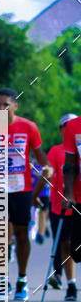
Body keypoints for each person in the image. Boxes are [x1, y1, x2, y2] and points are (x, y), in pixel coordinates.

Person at [0, 88, 52, 301]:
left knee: (21, 234)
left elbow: (41, 159)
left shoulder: (28, 127)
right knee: (0, 235)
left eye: (5, 104)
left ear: (15, 106)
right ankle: (2, 280)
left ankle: (22, 279)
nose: (0, 109)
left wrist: (47, 171)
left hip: (22, 188)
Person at [33, 114, 77, 300]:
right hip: (60, 206)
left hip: (78, 204)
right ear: (60, 131)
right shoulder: (55, 152)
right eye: (64, 127)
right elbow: (47, 174)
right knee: (63, 242)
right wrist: (35, 194)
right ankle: (70, 284)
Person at [63, 113, 81, 274]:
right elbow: (69, 164)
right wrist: (68, 193)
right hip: (79, 196)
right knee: (76, 251)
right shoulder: (73, 126)